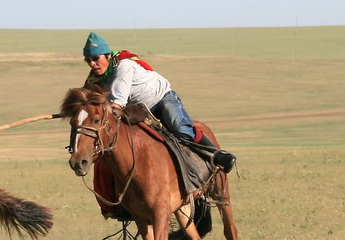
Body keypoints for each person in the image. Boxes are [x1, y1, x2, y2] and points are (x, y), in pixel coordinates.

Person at [81, 31, 235, 173]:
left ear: (107, 55)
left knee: (180, 128)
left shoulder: (123, 66)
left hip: (161, 99)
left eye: (96, 58)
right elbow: (86, 101)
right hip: (138, 111)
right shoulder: (95, 79)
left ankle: (219, 155)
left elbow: (117, 102)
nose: (92, 63)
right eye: (88, 60)